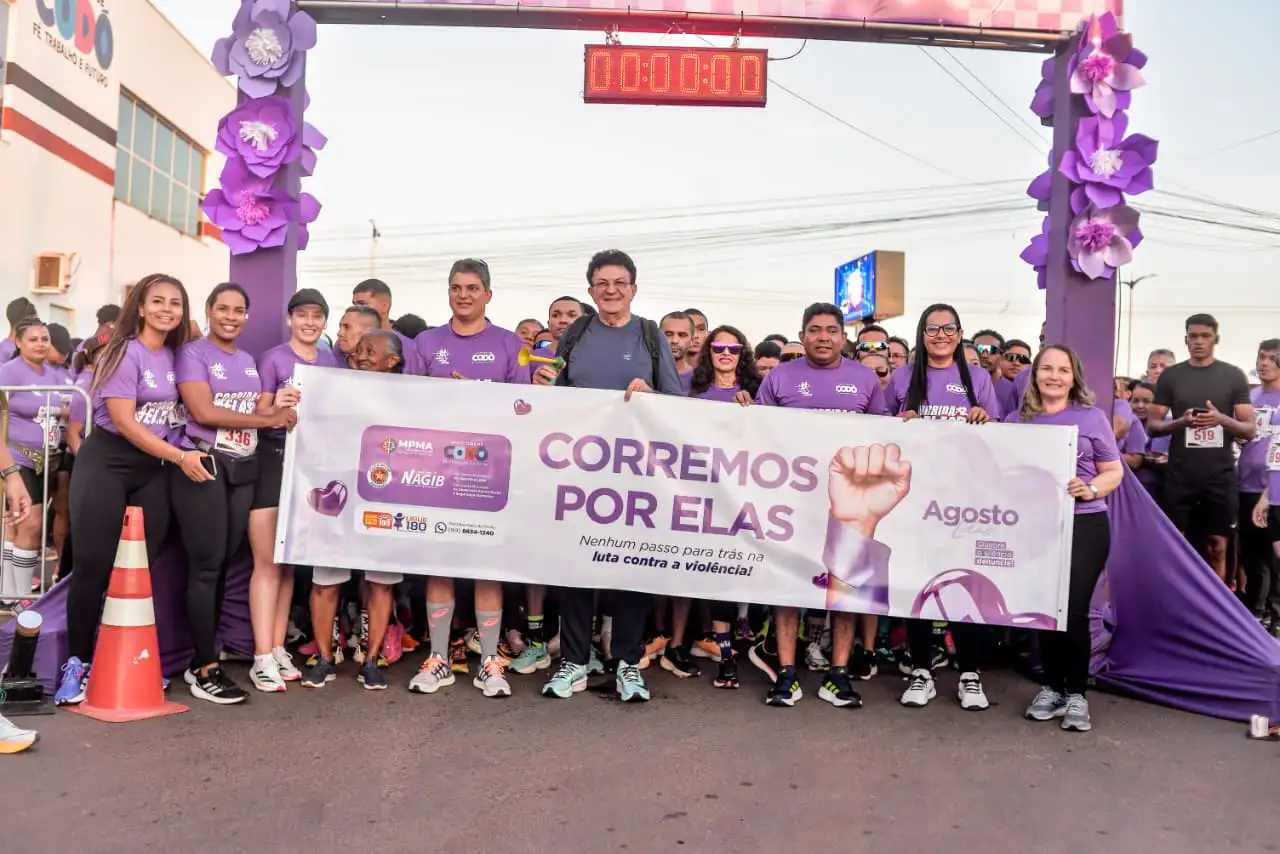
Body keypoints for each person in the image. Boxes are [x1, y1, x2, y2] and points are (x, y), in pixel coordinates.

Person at [536, 249, 684, 703]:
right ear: (590, 290)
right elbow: (555, 393)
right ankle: (575, 663)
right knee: (575, 565)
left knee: (630, 566)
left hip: (635, 472)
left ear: (634, 288)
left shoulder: (649, 335)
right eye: (602, 282)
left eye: (620, 282)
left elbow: (676, 402)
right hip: (579, 469)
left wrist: (651, 393)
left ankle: (626, 664)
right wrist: (544, 385)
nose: (611, 290)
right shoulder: (577, 333)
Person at [56, 274, 202, 706]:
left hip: (153, 470)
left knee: (139, 571)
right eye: (157, 301)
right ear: (139, 307)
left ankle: (126, 660)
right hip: (108, 462)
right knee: (93, 568)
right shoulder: (124, 353)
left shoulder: (181, 355)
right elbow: (124, 422)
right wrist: (180, 458)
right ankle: (78, 663)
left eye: (175, 303)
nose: (166, 309)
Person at [750, 301, 888, 710]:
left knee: (843, 587)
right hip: (791, 502)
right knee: (789, 585)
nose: (823, 336)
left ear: (843, 337)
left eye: (831, 329)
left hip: (847, 505)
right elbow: (756, 434)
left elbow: (881, 434)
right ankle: (788, 674)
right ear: (803, 334)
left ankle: (838, 675)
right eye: (814, 329)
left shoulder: (865, 379)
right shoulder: (780, 376)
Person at [172, 283, 297, 704]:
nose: (230, 316)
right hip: (206, 466)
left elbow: (252, 413)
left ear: (247, 315)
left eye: (239, 310)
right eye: (222, 308)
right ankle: (203, 667)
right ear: (208, 311)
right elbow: (203, 412)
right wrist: (271, 419)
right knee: (206, 566)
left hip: (243, 467)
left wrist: (278, 406)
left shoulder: (245, 360)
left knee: (224, 563)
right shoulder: (193, 353)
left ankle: (208, 658)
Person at [408, 259, 527, 698]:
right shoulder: (426, 342)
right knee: (440, 564)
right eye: (456, 287)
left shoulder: (510, 345)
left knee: (485, 568)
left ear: (488, 295)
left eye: (473, 288)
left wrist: (484, 400)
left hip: (490, 472)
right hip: (436, 473)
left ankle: (489, 662)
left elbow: (524, 409)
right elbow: (405, 403)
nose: (463, 295)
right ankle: (438, 657)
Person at [887, 304, 1000, 711]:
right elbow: (881, 431)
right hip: (915, 501)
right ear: (922, 334)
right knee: (918, 585)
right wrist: (902, 421)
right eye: (931, 328)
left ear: (959, 333)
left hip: (964, 504)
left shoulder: (978, 378)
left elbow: (1000, 436)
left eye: (948, 328)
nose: (940, 335)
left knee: (964, 587)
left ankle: (970, 674)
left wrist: (985, 418)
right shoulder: (902, 378)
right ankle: (921, 671)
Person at [1009, 345, 1122, 732]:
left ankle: (1076, 694)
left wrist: (1089, 488)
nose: (1054, 376)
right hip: (1035, 527)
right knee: (1042, 609)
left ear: (1074, 378)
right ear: (1034, 375)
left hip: (1085, 525)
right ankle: (1052, 687)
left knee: (1070, 608)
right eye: (1047, 369)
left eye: (1063, 370)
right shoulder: (1017, 421)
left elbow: (1114, 472)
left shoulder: (1091, 418)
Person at [303, 330, 407, 691]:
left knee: (380, 582)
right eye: (357, 350)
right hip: (338, 498)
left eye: (369, 351)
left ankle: (372, 660)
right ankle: (324, 659)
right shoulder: (333, 391)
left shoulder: (411, 399)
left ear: (392, 361)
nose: (359, 356)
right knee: (326, 579)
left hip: (386, 501)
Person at [248, 289, 335, 692]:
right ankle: (261, 656)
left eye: (317, 316)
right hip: (272, 465)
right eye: (302, 315)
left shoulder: (332, 360)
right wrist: (275, 407)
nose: (310, 322)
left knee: (287, 562)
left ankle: (278, 646)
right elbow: (254, 416)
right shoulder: (274, 358)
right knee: (266, 561)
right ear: (290, 319)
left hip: (312, 470)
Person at [1147, 314, 1254, 584]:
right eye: (1193, 336)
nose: (1198, 341)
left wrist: (1222, 420)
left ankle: (1216, 608)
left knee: (1217, 545)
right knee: (1175, 544)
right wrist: (1180, 422)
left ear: (1215, 339)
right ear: (1185, 339)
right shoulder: (1172, 376)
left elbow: (1249, 429)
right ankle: (1173, 604)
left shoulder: (1233, 376)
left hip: (1219, 476)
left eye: (1204, 336)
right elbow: (1153, 426)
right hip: (1180, 475)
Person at [688, 326, 757, 688]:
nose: (726, 353)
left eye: (733, 347)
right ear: (709, 351)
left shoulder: (757, 392)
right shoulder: (691, 388)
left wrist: (755, 410)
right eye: (719, 347)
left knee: (731, 578)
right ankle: (723, 654)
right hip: (697, 493)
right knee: (713, 579)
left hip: (742, 495)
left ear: (743, 352)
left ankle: (736, 650)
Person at [0, 319, 72, 601]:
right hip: (18, 457)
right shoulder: (9, 372)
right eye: (33, 339)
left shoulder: (54, 375)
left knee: (19, 523)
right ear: (18, 342)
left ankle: (10, 591)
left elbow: (68, 406)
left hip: (50, 457)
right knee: (30, 522)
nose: (41, 344)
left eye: (44, 339)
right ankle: (16, 594)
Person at [1239, 341, 1280, 621]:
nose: (1264, 363)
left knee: (1275, 558)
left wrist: (1268, 492)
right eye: (1261, 357)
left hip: (1274, 491)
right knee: (1252, 559)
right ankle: (1256, 617)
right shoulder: (1250, 397)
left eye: (1272, 358)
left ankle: (1274, 617)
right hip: (1245, 486)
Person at [351, 278, 426, 375]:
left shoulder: (407, 348)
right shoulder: (346, 342)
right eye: (355, 305)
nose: (357, 310)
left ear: (384, 306)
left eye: (363, 304)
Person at [1128, 380, 1168, 499]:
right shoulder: (1124, 425)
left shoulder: (1168, 425)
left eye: (1146, 402)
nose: (1140, 406)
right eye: (1135, 401)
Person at [661, 311, 697, 394]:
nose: (674, 340)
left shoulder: (702, 379)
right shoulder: (646, 374)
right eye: (668, 334)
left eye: (682, 335)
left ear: (692, 340)